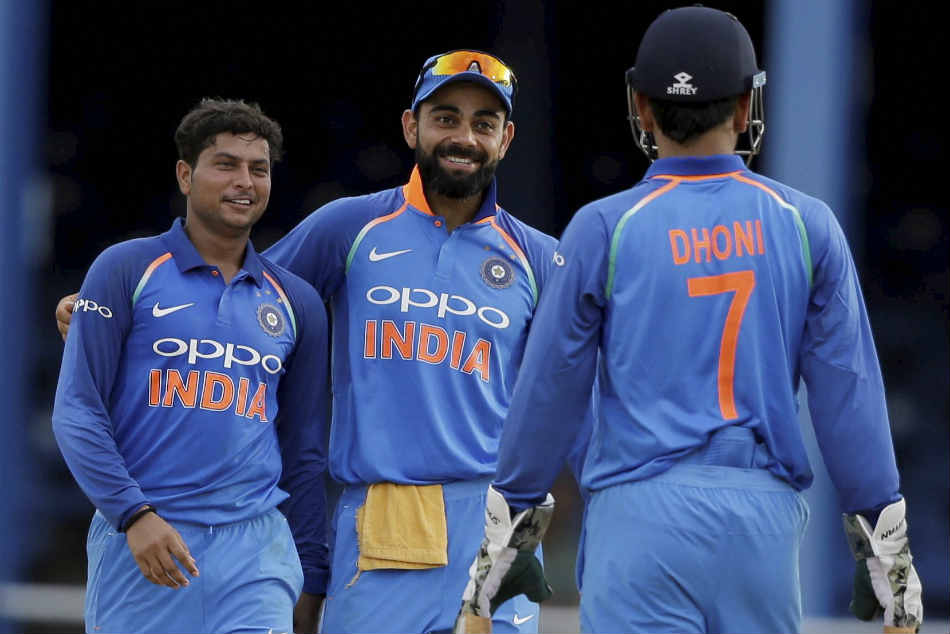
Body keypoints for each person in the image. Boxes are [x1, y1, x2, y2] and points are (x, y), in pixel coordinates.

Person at [58, 51, 584, 634]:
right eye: (445, 118)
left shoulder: (541, 257)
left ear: (506, 139)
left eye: (484, 123)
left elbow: (582, 390)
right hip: (383, 515)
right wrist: (102, 314)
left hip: (498, 518)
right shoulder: (350, 226)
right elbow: (238, 297)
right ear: (411, 127)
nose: (464, 137)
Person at [459, 6, 923, 634]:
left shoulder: (603, 227)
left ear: (643, 108)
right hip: (760, 524)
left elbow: (550, 393)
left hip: (638, 518)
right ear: (744, 108)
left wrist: (504, 538)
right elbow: (849, 395)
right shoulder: (806, 223)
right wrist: (886, 550)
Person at [52, 98, 330, 634]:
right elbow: (77, 412)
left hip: (256, 552)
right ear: (185, 174)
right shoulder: (125, 268)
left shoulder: (297, 301)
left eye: (258, 169)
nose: (244, 181)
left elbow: (303, 449)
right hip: (144, 540)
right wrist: (133, 515)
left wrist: (312, 570)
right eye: (225, 164)